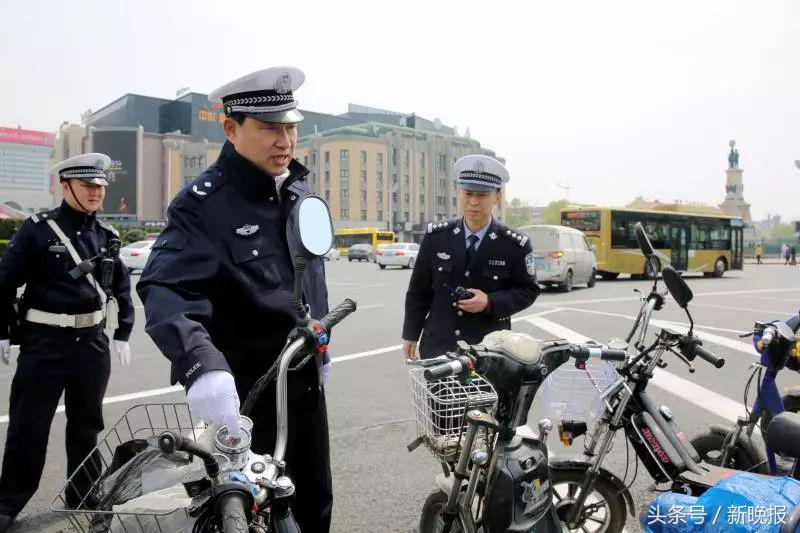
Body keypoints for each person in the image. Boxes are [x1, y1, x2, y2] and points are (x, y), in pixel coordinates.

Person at [137, 67, 333, 532]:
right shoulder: (204, 204)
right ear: (231, 128)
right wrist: (201, 364)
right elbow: (166, 288)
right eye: (269, 128)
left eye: (290, 127)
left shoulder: (297, 191)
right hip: (242, 403)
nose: (284, 140)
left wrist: (321, 341)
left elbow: (308, 278)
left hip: (303, 388)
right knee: (247, 516)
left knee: (314, 505)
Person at [0, 153, 134, 532]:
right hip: (45, 342)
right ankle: (9, 502)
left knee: (87, 425)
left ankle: (83, 489)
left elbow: (122, 288)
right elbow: (4, 281)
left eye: (100, 187)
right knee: (29, 426)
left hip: (91, 343)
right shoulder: (38, 229)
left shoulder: (107, 235)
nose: (96, 193)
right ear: (66, 186)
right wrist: (4, 331)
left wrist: (123, 331)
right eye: (88, 186)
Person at [402, 155, 540, 360]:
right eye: (468, 193)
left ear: (497, 197)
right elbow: (418, 291)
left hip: (490, 352)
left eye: (483, 195)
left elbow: (528, 290)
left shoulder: (514, 244)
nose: (474, 202)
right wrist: (411, 334)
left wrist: (490, 302)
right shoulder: (436, 237)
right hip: (439, 347)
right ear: (459, 192)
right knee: (437, 393)